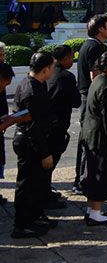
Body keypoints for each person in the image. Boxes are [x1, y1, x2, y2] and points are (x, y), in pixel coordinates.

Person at [11, 52, 56, 238]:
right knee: (27, 185)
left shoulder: (35, 83)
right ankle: (21, 224)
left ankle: (35, 216)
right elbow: (33, 127)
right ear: (45, 70)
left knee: (37, 183)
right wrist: (45, 153)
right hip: (29, 142)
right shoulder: (31, 91)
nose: (53, 71)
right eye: (52, 68)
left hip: (35, 139)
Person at [79, 51, 107, 226]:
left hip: (91, 134)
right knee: (100, 175)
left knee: (92, 172)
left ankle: (92, 209)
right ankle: (95, 213)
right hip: (101, 138)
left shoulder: (98, 80)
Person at [75, 14, 107, 194]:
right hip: (91, 98)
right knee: (90, 139)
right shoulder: (95, 47)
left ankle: (83, 179)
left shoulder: (89, 45)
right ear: (100, 29)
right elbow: (95, 75)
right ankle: (82, 181)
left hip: (87, 96)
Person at [44, 45, 78, 208]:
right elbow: (76, 101)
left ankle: (45, 189)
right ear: (64, 58)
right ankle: (44, 195)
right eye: (71, 57)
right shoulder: (66, 76)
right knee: (50, 160)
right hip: (57, 124)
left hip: (45, 123)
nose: (72, 60)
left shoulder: (47, 73)